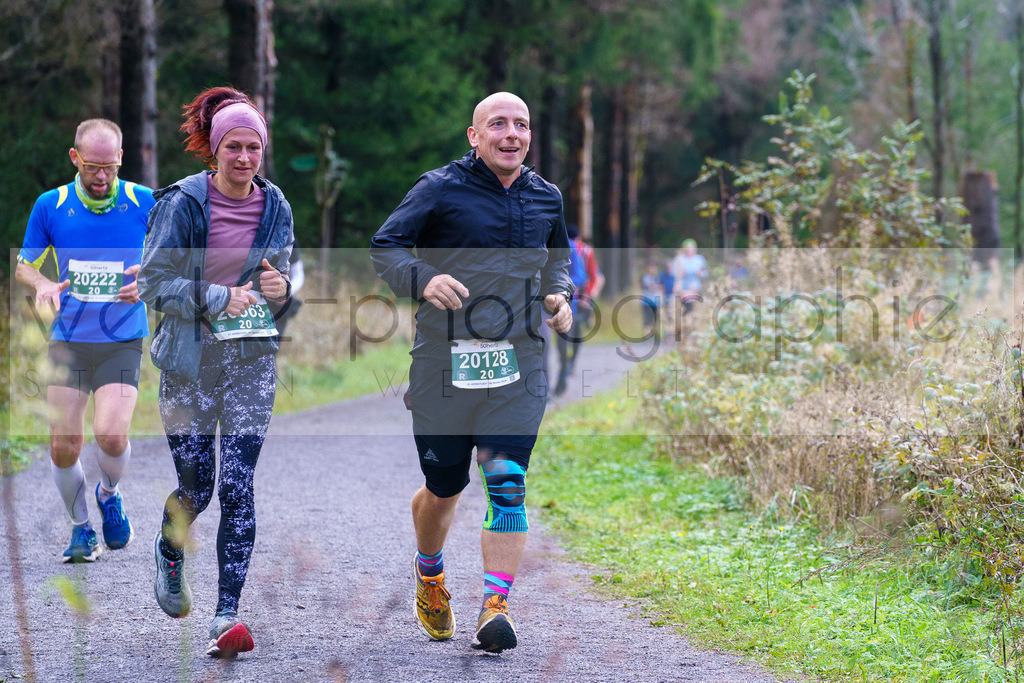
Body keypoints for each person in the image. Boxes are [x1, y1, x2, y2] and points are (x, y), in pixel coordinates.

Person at [370, 92, 574, 654]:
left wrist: (560, 295)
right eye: (498, 124)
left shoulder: (545, 197)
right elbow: (385, 246)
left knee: (506, 481)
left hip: (519, 361)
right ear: (473, 135)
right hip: (443, 362)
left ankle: (495, 606)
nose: (511, 134)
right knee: (445, 487)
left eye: (521, 125)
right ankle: (430, 573)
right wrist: (422, 278)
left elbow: (559, 259)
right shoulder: (439, 188)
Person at [138, 87, 293, 659]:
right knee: (198, 488)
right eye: (234, 146)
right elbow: (154, 284)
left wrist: (281, 291)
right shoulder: (182, 204)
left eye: (254, 147)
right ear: (215, 149)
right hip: (188, 361)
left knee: (237, 483)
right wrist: (212, 295)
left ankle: (226, 614)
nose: (245, 158)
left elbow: (279, 283)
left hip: (249, 358)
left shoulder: (275, 204)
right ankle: (171, 549)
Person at [16, 119, 154, 563]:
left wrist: (147, 281)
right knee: (63, 444)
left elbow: (174, 260)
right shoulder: (51, 204)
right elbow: (24, 264)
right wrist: (41, 284)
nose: (100, 177)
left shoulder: (144, 202)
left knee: (111, 437)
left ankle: (109, 494)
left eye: (109, 168)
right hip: (69, 338)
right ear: (75, 158)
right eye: (92, 166)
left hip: (122, 338)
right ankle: (81, 531)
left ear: (120, 161)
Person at [553, 226, 604, 396]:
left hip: (578, 300)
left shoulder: (584, 251)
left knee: (575, 334)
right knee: (567, 338)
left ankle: (568, 366)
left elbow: (594, 276)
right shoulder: (571, 246)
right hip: (569, 300)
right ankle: (565, 367)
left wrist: (588, 296)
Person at [671, 238, 707, 315]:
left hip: (694, 288)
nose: (690, 251)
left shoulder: (700, 259)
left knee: (692, 310)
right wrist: (679, 272)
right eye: (688, 249)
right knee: (680, 310)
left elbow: (705, 274)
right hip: (681, 288)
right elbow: (672, 272)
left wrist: (700, 273)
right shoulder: (679, 259)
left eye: (692, 249)